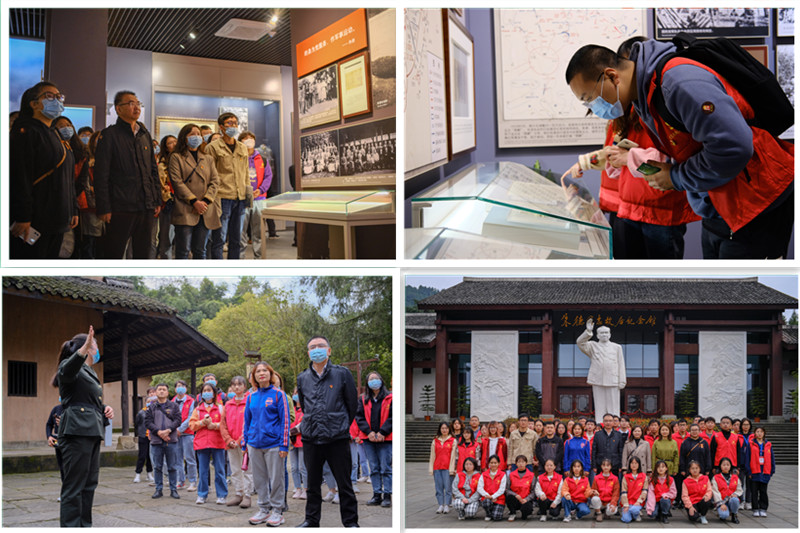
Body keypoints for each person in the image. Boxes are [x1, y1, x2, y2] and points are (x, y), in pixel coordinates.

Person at [565, 39, 794, 259]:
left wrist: (675, 177)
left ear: (611, 76)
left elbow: (734, 147)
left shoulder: (678, 82)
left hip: (758, 198)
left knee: (744, 284)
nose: (593, 108)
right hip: (720, 203)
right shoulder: (644, 95)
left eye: (590, 99)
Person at [52, 325, 114, 527]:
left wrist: (104, 408)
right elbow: (66, 372)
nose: (97, 348)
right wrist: (83, 349)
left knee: (89, 484)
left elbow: (87, 399)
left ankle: (84, 526)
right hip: (76, 431)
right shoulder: (71, 367)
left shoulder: (89, 371)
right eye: (94, 344)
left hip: (92, 430)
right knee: (74, 486)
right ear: (85, 347)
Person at [294, 336, 359, 528]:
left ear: (329, 350)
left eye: (321, 346)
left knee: (344, 483)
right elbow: (305, 406)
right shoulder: (303, 377)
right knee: (312, 484)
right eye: (313, 347)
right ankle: (311, 520)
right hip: (311, 437)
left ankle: (350, 522)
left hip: (336, 437)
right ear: (308, 353)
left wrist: (340, 424)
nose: (317, 349)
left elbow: (352, 404)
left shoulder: (342, 373)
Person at [10, 81, 79, 259]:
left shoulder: (53, 134)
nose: (57, 100)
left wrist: (72, 209)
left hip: (57, 218)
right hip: (35, 220)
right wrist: (23, 216)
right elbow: (20, 177)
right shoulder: (25, 131)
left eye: (59, 97)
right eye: (50, 96)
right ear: (34, 104)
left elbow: (67, 178)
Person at [93, 90, 162, 258]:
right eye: (131, 103)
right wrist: (104, 207)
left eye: (138, 103)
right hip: (120, 207)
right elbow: (101, 175)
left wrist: (156, 199)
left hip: (146, 206)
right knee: (114, 253)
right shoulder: (109, 135)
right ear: (118, 109)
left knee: (143, 253)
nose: (136, 107)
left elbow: (153, 171)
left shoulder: (144, 135)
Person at [242, 362, 288, 526]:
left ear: (270, 374)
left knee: (276, 479)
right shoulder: (251, 397)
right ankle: (263, 509)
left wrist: (284, 445)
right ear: (253, 376)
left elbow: (285, 420)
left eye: (264, 370)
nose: (261, 373)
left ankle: (277, 511)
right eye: (258, 371)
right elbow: (247, 421)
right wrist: (245, 443)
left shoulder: (278, 395)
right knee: (259, 479)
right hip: (254, 444)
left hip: (273, 444)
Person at [169, 123, 221, 259]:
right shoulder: (176, 157)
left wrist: (205, 201)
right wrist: (194, 202)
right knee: (183, 250)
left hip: (205, 208)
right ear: (184, 137)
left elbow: (215, 181)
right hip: (186, 207)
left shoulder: (207, 158)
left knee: (200, 250)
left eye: (198, 134)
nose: (196, 136)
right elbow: (177, 182)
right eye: (192, 134)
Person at [205, 112, 250, 259]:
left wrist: (248, 193)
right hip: (222, 197)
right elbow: (209, 175)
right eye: (229, 123)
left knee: (236, 239)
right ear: (221, 127)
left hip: (240, 197)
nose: (233, 126)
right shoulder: (212, 147)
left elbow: (246, 173)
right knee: (219, 238)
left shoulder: (242, 147)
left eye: (235, 123)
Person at [355, 371, 392, 508]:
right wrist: (369, 432)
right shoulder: (363, 399)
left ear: (381, 380)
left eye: (376, 378)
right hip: (368, 438)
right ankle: (376, 494)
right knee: (374, 467)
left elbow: (392, 417)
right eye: (371, 379)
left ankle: (387, 495)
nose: (374, 381)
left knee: (385, 467)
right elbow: (359, 417)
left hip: (385, 438)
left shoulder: (390, 397)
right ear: (367, 383)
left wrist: (383, 432)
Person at [189, 382, 228, 505]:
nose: (207, 393)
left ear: (214, 393)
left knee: (220, 470)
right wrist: (202, 423)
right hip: (202, 443)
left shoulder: (221, 408)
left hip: (218, 442)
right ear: (201, 394)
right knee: (203, 471)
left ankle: (222, 495)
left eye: (209, 390)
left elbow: (225, 424)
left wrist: (214, 425)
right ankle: (202, 495)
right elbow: (192, 425)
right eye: (204, 391)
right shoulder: (197, 409)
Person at [576, 320, 626, 416]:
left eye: (606, 333)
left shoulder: (617, 347)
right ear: (597, 335)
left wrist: (622, 380)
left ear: (610, 335)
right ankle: (599, 423)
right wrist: (588, 331)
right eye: (602, 333)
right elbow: (580, 342)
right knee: (599, 406)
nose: (604, 335)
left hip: (613, 379)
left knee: (613, 406)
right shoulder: (592, 346)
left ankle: (614, 423)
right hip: (597, 379)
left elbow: (621, 364)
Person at [238, 131, 273, 258]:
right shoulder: (237, 158)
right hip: (242, 199)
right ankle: (240, 257)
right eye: (246, 138)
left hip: (259, 198)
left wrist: (261, 189)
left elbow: (268, 176)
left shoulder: (262, 159)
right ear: (240, 142)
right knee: (240, 231)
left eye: (251, 138)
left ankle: (259, 257)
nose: (249, 140)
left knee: (259, 232)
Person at [220, 375, 253, 509]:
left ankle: (247, 495)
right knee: (234, 469)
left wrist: (239, 440)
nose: (237, 387)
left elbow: (250, 423)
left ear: (245, 386)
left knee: (247, 469)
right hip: (230, 443)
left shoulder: (249, 402)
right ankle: (238, 493)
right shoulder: (228, 404)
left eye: (239, 384)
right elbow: (222, 424)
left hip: (245, 442)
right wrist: (228, 440)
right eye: (234, 385)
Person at [145, 383, 181, 499]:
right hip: (156, 440)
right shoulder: (151, 407)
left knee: (172, 466)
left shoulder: (174, 406)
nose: (161, 391)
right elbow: (148, 422)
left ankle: (173, 489)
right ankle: (158, 489)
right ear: (155, 392)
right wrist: (159, 432)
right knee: (157, 466)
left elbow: (178, 420)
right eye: (159, 389)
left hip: (171, 439)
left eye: (164, 389)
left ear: (167, 392)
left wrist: (168, 430)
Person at [75, 131, 105, 258]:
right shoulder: (88, 161)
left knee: (101, 245)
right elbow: (86, 186)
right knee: (89, 243)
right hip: (90, 207)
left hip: (106, 208)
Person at [154, 134, 177, 259]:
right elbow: (162, 186)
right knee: (167, 236)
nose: (174, 144)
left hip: (183, 203)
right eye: (170, 143)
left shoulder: (182, 160)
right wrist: (169, 195)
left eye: (175, 141)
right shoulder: (162, 165)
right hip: (169, 202)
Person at [172, 379, 197, 491]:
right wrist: (174, 429)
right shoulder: (172, 402)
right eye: (178, 386)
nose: (180, 388)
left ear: (186, 389)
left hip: (188, 433)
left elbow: (191, 417)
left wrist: (180, 429)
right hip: (175, 434)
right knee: (177, 459)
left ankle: (192, 481)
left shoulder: (191, 401)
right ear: (175, 389)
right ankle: (180, 481)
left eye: (182, 386)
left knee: (190, 458)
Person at [429, 421, 456, 514]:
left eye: (446, 428)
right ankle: (440, 504)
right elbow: (432, 455)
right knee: (438, 488)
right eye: (442, 428)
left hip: (447, 467)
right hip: (437, 467)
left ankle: (447, 505)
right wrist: (431, 468)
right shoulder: (435, 441)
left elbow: (453, 456)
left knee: (448, 488)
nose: (444, 430)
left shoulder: (452, 440)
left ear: (449, 429)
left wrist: (452, 468)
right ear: (440, 429)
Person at [748, 426, 774, 517]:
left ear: (764, 433)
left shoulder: (768, 444)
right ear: (754, 433)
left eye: (761, 432)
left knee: (763, 491)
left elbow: (772, 458)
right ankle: (755, 508)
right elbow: (747, 457)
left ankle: (763, 508)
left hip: (765, 471)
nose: (759, 433)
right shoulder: (751, 444)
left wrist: (772, 470)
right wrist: (749, 471)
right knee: (754, 491)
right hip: (754, 471)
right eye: (757, 431)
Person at [592, 413, 625, 478]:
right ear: (603, 422)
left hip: (614, 465)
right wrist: (594, 465)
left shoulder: (618, 435)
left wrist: (620, 465)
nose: (608, 423)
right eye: (606, 421)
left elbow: (621, 451)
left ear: (613, 422)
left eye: (610, 421)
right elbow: (594, 451)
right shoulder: (598, 434)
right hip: (600, 465)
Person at [505, 455, 535, 521]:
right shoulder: (511, 475)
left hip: (526, 499)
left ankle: (524, 514)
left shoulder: (531, 475)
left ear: (526, 463)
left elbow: (533, 491)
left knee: (526, 513)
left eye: (523, 462)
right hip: (515, 499)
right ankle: (512, 513)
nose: (521, 464)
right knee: (509, 497)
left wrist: (527, 499)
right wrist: (515, 495)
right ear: (516, 464)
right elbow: (507, 489)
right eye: (519, 462)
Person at [133, 389, 155, 484]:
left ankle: (149, 473)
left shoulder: (155, 411)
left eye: (151, 402)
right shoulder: (141, 412)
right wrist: (138, 433)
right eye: (148, 401)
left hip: (152, 437)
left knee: (150, 456)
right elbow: (137, 424)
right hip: (143, 436)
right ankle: (138, 473)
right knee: (142, 455)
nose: (149, 403)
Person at [712, 457, 742, 523]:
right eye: (724, 465)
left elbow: (739, 489)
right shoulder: (716, 477)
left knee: (735, 500)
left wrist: (735, 494)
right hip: (722, 500)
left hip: (731, 499)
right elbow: (715, 492)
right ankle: (723, 512)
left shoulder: (735, 477)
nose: (726, 466)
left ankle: (734, 515)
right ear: (720, 466)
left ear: (730, 466)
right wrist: (721, 504)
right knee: (723, 516)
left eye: (728, 465)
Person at [290, 389, 307, 500]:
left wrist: (290, 432)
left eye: (298, 393)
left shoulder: (306, 409)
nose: (296, 395)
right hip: (291, 442)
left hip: (302, 442)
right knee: (293, 467)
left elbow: (303, 425)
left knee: (302, 467)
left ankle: (306, 489)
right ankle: (297, 488)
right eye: (295, 393)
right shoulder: (291, 409)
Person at [477, 455, 506, 521]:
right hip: (487, 498)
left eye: (495, 463)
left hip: (499, 499)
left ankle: (494, 511)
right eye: (491, 463)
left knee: (496, 517)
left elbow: (502, 489)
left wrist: (493, 496)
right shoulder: (484, 474)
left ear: (498, 463)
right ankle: (488, 514)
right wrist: (488, 496)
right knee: (487, 502)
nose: (493, 464)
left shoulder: (502, 474)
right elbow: (479, 488)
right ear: (489, 463)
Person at [620, 456, 648, 523]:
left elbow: (644, 491)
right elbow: (624, 492)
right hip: (628, 502)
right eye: (632, 463)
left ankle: (636, 514)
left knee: (634, 510)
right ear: (629, 465)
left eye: (636, 463)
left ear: (639, 464)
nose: (634, 465)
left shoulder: (643, 476)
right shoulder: (626, 477)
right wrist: (626, 505)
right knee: (626, 520)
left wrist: (639, 502)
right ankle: (629, 513)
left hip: (638, 502)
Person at [46, 399, 65, 490]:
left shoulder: (73, 410)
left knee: (71, 469)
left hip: (71, 443)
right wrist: (49, 436)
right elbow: (49, 424)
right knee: (62, 467)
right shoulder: (56, 409)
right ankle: (65, 492)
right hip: (59, 442)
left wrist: (64, 422)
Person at [738, 418, 753, 510]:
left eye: (747, 425)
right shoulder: (738, 436)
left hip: (751, 464)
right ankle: (741, 501)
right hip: (741, 464)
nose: (746, 426)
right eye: (744, 424)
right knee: (740, 484)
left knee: (749, 484)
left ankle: (748, 501)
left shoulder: (753, 436)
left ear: (750, 426)